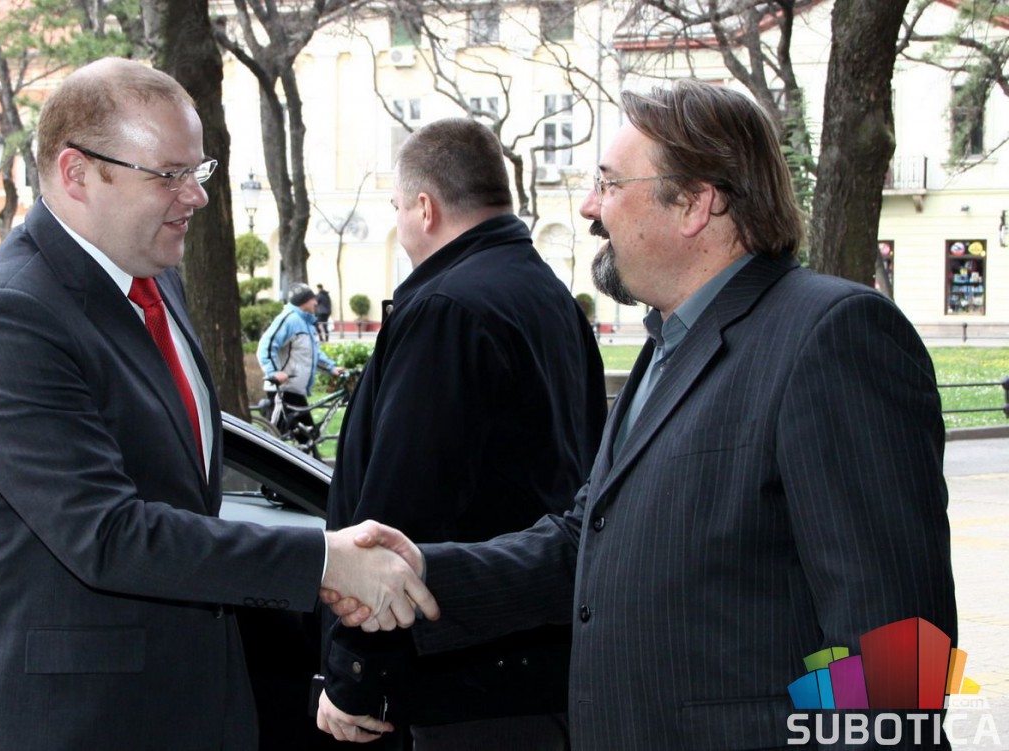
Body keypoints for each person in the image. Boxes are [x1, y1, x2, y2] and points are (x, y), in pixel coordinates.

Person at [333, 80, 957, 750]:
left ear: (694, 203)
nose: (589, 207)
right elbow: (585, 542)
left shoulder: (832, 336)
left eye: (608, 183)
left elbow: (898, 645)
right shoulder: (670, 342)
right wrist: (422, 570)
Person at [0, 57, 435, 751]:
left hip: (190, 702)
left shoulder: (155, 279)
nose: (194, 196)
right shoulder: (8, 313)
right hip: (68, 722)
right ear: (76, 173)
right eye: (169, 174)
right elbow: (107, 534)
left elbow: (181, 498)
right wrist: (324, 562)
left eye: (199, 170)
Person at [315, 118, 607, 750]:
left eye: (397, 208)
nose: (400, 224)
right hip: (537, 656)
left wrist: (353, 675)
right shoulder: (549, 295)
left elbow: (401, 509)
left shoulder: (448, 308)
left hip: (465, 676)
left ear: (425, 208)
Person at [257, 282, 342, 440]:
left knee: (308, 439)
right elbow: (265, 346)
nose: (316, 302)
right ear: (303, 301)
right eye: (312, 299)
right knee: (271, 440)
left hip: (294, 391)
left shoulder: (305, 323)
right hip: (282, 392)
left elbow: (312, 354)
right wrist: (274, 372)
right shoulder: (289, 319)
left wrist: (332, 368)